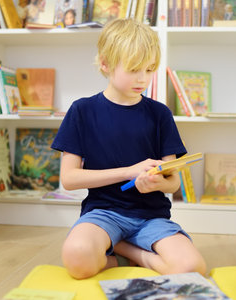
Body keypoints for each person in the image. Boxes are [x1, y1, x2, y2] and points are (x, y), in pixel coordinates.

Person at [51, 18, 206, 280]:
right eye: (134, 69)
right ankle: (139, 256)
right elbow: (69, 179)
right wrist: (128, 172)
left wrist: (155, 183)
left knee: (192, 269)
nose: (143, 78)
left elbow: (172, 183)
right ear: (105, 64)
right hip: (103, 214)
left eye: (149, 70)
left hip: (151, 218)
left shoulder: (160, 114)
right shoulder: (82, 110)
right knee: (77, 259)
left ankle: (126, 253)